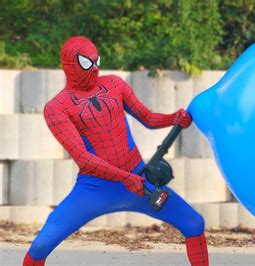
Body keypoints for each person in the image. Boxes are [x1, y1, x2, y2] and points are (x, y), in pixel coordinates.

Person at [23, 36, 208, 266]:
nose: (95, 67)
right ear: (70, 64)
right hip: (95, 188)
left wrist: (174, 118)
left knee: (194, 224)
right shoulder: (57, 108)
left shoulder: (114, 85)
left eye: (96, 60)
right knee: (41, 245)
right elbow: (83, 158)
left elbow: (148, 118)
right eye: (86, 63)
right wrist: (125, 178)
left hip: (139, 179)